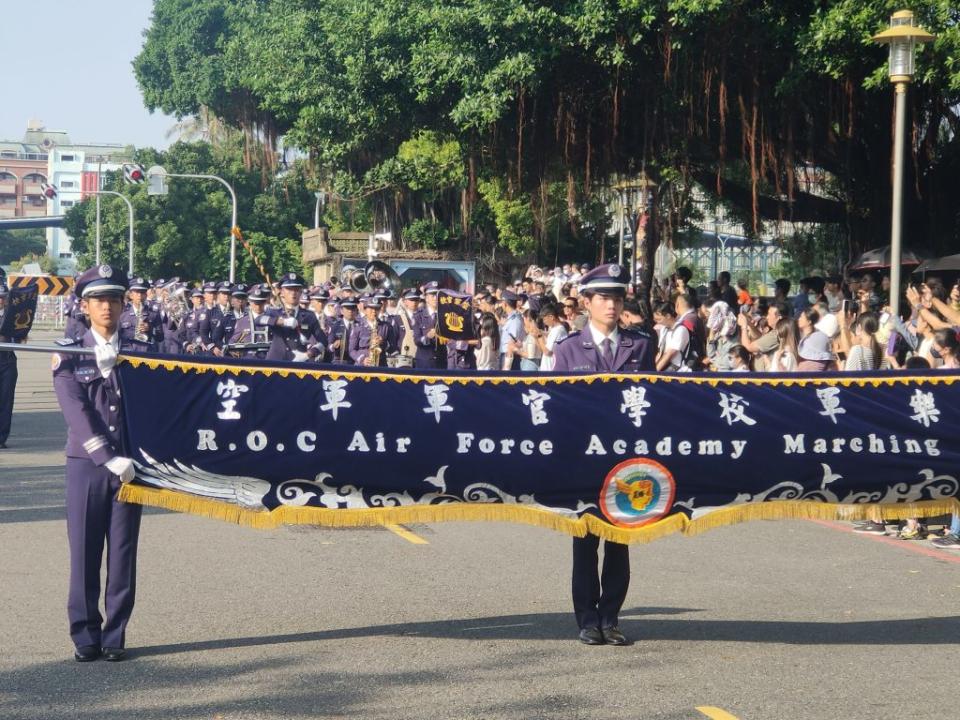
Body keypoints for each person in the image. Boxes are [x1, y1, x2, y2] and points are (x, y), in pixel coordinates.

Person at [52, 265, 154, 662]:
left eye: (114, 299)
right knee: (84, 551)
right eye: (99, 300)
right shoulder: (68, 349)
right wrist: (106, 457)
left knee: (123, 553)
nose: (107, 307)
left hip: (131, 466)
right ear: (85, 305)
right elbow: (74, 409)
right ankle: (84, 634)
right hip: (88, 465)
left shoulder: (141, 349)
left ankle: (115, 634)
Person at [552, 263, 657, 646]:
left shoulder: (641, 345)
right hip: (583, 458)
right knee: (584, 541)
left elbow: (650, 402)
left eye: (616, 298)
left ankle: (611, 617)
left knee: (619, 540)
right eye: (602, 298)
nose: (611, 305)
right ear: (587, 302)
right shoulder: (567, 349)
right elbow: (559, 406)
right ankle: (586, 619)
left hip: (626, 460)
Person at [0, 283, 18, 448]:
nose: (1, 301)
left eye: (3, 298)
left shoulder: (13, 316)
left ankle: (1, 437)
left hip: (7, 360)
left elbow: (20, 335)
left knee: (6, 400)